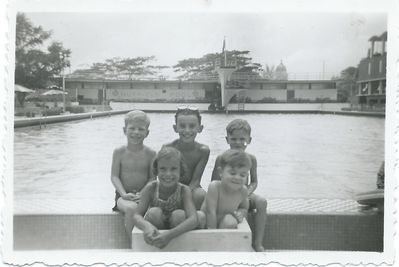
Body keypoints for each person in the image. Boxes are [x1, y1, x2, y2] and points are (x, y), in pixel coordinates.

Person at [211, 119, 267, 252]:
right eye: (234, 139)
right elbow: (214, 181)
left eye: (242, 139)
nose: (238, 142)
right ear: (227, 139)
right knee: (241, 210)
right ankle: (241, 244)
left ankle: (258, 243)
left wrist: (247, 192)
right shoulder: (222, 158)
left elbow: (254, 181)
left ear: (249, 139)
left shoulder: (251, 159)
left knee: (262, 202)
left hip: (244, 192)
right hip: (227, 194)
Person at [133, 147, 198, 249]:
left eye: (173, 169)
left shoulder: (184, 190)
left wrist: (169, 235)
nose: (168, 174)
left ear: (181, 170)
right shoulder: (151, 188)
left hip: (176, 231)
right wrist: (147, 227)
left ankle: (174, 247)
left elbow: (193, 219)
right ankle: (158, 243)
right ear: (156, 170)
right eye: (163, 169)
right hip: (157, 227)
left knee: (179, 215)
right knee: (153, 212)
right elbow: (136, 215)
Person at [111, 110, 156, 240]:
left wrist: (143, 193)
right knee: (131, 208)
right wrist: (124, 193)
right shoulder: (119, 152)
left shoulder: (151, 153)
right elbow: (114, 176)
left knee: (151, 212)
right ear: (124, 130)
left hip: (144, 195)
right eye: (132, 128)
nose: (136, 132)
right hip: (123, 196)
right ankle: (129, 243)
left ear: (147, 133)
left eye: (141, 129)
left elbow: (152, 178)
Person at [163, 105, 210, 209]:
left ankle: (195, 221)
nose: (187, 130)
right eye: (182, 126)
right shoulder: (168, 148)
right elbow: (163, 176)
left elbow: (196, 181)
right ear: (175, 128)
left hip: (192, 189)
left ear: (200, 128)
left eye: (192, 126)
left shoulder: (203, 151)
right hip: (170, 187)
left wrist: (183, 195)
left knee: (200, 194)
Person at [198, 149, 250, 230]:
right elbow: (210, 212)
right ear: (221, 172)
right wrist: (212, 232)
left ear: (247, 175)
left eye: (242, 175)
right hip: (206, 223)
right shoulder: (215, 187)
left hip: (224, 224)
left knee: (230, 220)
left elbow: (244, 208)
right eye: (232, 173)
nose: (237, 177)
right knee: (199, 215)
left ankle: (222, 240)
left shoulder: (243, 191)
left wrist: (241, 212)